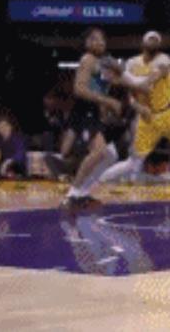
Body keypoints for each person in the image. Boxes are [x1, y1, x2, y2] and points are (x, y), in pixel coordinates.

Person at [99, 31, 170, 184]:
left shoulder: (164, 60)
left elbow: (146, 83)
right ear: (143, 43)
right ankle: (101, 180)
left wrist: (121, 76)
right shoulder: (132, 63)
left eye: (156, 40)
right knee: (133, 163)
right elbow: (131, 95)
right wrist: (137, 106)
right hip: (147, 118)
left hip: (169, 114)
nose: (153, 41)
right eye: (150, 39)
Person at [60, 28, 122, 211]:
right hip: (85, 110)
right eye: (94, 39)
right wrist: (108, 101)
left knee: (111, 155)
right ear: (86, 43)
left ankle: (82, 193)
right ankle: (72, 195)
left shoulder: (102, 63)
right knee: (98, 152)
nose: (99, 41)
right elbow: (79, 89)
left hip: (94, 112)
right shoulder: (87, 59)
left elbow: (112, 83)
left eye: (102, 39)